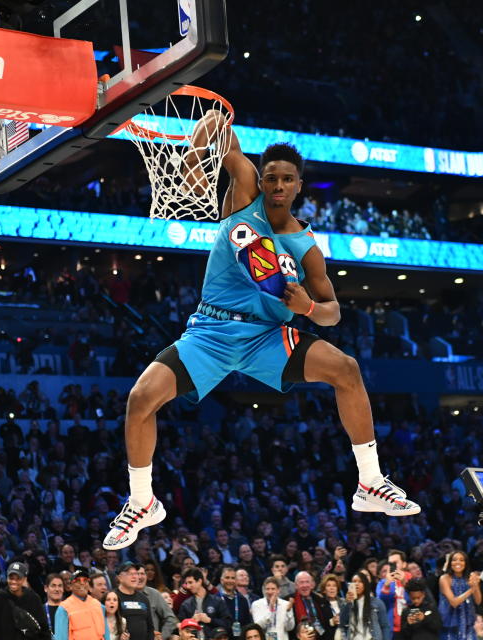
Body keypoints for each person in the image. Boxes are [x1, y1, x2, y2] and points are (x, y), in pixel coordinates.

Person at [103, 120, 420, 550]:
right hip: (211, 331)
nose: (277, 184)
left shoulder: (306, 245)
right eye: (271, 176)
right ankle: (142, 501)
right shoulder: (244, 195)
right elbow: (220, 132)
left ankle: (370, 483)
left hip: (268, 336)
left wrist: (306, 308)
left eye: (287, 179)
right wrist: (198, 154)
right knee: (140, 399)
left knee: (346, 369)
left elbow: (332, 313)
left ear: (299, 186)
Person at [0, 562, 49, 640]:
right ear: (7, 578)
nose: (14, 581)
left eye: (18, 578)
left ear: (25, 579)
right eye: (11, 578)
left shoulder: (33, 599)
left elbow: (43, 628)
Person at [54, 570, 108, 640]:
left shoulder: (98, 605)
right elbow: (60, 637)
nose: (82, 583)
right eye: (77, 580)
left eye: (85, 580)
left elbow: (106, 634)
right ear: (70, 586)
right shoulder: (64, 608)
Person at [437, 553, 480, 640]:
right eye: (454, 560)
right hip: (450, 625)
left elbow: (478, 601)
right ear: (450, 562)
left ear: (466, 563)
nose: (458, 562)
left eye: (461, 560)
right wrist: (472, 589)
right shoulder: (444, 578)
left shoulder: (470, 577)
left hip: (468, 624)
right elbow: (454, 602)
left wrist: (475, 585)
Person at [177, 570, 228, 640]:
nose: (188, 586)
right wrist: (191, 621)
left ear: (200, 581)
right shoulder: (186, 605)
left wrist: (210, 620)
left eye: (190, 582)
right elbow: (181, 628)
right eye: (186, 583)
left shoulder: (217, 601)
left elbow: (227, 624)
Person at [339, 572, 388, 640]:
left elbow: (385, 626)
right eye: (354, 581)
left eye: (360, 581)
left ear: (365, 584)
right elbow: (342, 623)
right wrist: (347, 603)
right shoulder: (347, 604)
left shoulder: (377, 603)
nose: (357, 584)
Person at [114, 563, 153, 640]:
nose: (135, 577)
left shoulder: (144, 599)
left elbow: (150, 627)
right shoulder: (112, 597)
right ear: (120, 578)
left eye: (136, 573)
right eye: (130, 574)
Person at [136, 567, 176, 640]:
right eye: (137, 574)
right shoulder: (124, 595)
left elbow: (171, 619)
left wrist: (162, 636)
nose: (140, 577)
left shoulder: (154, 594)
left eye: (142, 574)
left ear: (146, 576)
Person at [289, 573, 333, 640]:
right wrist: (299, 636)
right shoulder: (289, 601)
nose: (305, 585)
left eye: (307, 582)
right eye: (301, 582)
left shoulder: (320, 599)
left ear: (312, 584)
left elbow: (327, 623)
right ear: (296, 585)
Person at [217, 567, 252, 639]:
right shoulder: (215, 599)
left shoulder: (242, 600)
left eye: (233, 578)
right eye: (227, 577)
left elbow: (247, 623)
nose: (230, 580)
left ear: (236, 581)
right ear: (221, 580)